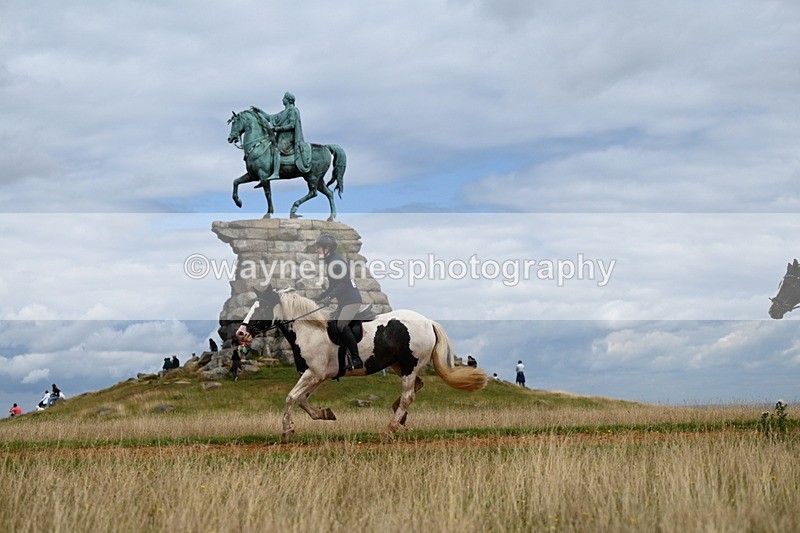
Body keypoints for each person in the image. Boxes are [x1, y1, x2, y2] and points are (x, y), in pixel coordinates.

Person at [314, 234, 363, 370]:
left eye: (318, 247)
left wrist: (330, 298)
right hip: (344, 302)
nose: (316, 250)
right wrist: (319, 297)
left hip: (352, 301)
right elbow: (332, 286)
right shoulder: (331, 262)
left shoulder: (336, 262)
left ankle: (356, 359)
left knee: (341, 325)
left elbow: (344, 283)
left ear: (327, 248)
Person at [257, 91, 311, 179]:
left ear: (288, 100)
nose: (282, 100)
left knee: (276, 150)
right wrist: (260, 111)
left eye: (284, 98)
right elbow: (271, 118)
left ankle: (276, 173)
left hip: (288, 138)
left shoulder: (293, 110)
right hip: (281, 137)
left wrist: (277, 129)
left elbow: (292, 125)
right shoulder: (284, 112)